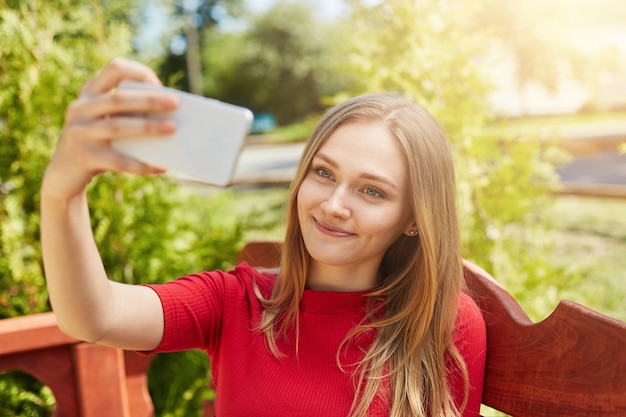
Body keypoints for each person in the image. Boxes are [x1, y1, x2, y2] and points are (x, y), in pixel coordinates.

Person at [40, 58, 486, 417]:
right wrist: (62, 193)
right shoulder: (239, 301)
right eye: (323, 173)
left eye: (372, 191)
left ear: (414, 218)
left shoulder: (444, 324)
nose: (333, 204)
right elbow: (92, 317)